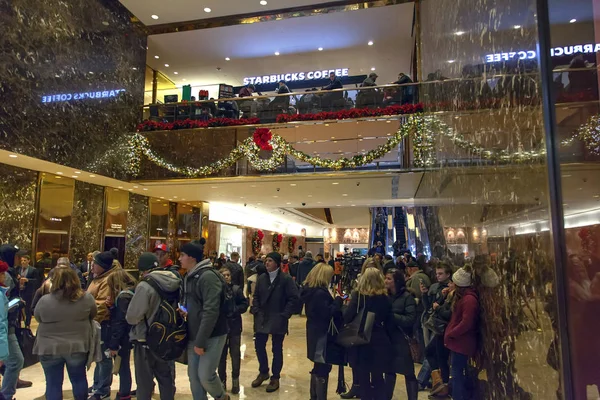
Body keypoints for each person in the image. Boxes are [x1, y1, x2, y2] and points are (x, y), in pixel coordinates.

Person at [34, 266, 97, 400]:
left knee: (52, 383)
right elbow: (93, 315)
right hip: (77, 346)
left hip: (49, 347)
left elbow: (38, 318)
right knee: (79, 379)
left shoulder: (44, 300)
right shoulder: (87, 299)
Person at [179, 239, 230, 400]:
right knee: (194, 377)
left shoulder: (208, 277)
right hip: (194, 332)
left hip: (212, 334)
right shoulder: (190, 276)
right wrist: (185, 311)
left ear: (192, 258)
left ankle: (221, 397)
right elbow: (195, 305)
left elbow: (211, 311)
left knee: (206, 375)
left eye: (182, 255)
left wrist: (200, 341)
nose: (179, 259)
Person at [126, 252, 181, 400]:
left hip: (145, 338)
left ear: (143, 270)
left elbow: (133, 316)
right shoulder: (174, 280)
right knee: (165, 377)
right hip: (167, 337)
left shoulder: (145, 285)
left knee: (144, 381)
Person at [250, 252, 300, 393]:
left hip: (278, 317)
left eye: (270, 261)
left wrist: (285, 314)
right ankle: (263, 371)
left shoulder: (286, 279)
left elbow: (293, 298)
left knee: (277, 348)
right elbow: (256, 296)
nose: (266, 263)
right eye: (266, 261)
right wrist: (256, 309)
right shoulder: (261, 278)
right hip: (262, 317)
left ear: (277, 263)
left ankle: (275, 377)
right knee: (259, 345)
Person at [342, 268, 392, 400]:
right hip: (379, 339)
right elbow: (388, 319)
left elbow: (347, 317)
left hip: (360, 339)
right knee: (378, 377)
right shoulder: (384, 298)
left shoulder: (358, 296)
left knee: (363, 377)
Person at [301, 263, 343, 400]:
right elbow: (327, 313)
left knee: (318, 365)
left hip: (314, 331)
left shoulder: (311, 290)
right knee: (323, 367)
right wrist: (337, 301)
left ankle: (314, 396)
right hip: (322, 334)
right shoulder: (320, 293)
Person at [87, 250, 119, 400]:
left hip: (103, 323)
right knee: (98, 355)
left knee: (103, 357)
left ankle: (103, 389)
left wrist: (87, 312)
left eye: (95, 264)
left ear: (103, 266)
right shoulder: (98, 278)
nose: (92, 266)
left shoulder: (107, 280)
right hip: (96, 322)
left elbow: (102, 305)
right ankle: (97, 384)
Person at [0, 243, 30, 399]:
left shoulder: (11, 273)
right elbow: (4, 304)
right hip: (6, 325)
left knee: (12, 360)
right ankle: (6, 394)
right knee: (16, 360)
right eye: (18, 256)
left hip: (8, 324)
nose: (20, 259)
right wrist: (17, 302)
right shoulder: (8, 275)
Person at [444, 265, 479, 400]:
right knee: (458, 374)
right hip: (459, 342)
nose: (451, 284)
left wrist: (452, 333)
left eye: (453, 282)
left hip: (461, 343)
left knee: (458, 375)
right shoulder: (463, 297)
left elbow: (466, 323)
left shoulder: (469, 300)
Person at [384, 269, 418, 400]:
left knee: (408, 372)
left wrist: (393, 316)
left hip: (402, 339)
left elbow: (410, 319)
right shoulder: (385, 296)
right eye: (385, 278)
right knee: (389, 371)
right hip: (388, 338)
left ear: (396, 281)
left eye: (389, 279)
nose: (386, 281)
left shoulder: (407, 297)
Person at [420, 262, 453, 394]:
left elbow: (446, 312)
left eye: (441, 273)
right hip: (436, 325)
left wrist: (438, 305)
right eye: (437, 273)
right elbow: (429, 307)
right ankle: (439, 382)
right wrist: (424, 294)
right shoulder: (436, 287)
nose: (438, 276)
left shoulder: (451, 291)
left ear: (448, 275)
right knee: (433, 354)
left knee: (440, 357)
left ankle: (441, 384)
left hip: (444, 328)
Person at [106, 269, 137, 400]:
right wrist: (112, 307)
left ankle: (124, 393)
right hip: (129, 335)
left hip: (123, 338)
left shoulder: (123, 297)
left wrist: (114, 344)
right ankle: (124, 392)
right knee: (124, 365)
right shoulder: (132, 292)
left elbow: (120, 322)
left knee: (123, 366)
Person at [217, 266, 248, 395]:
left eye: (228, 275)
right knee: (221, 356)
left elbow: (244, 304)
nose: (226, 277)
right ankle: (222, 380)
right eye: (224, 275)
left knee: (235, 354)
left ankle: (235, 379)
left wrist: (234, 310)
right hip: (221, 328)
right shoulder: (216, 291)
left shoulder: (236, 290)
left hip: (234, 326)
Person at [406, 260, 431, 363]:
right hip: (422, 309)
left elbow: (416, 295)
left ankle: (422, 357)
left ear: (411, 269)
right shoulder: (423, 276)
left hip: (420, 310)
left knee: (420, 334)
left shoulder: (417, 278)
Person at [16, 254, 42, 327]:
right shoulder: (18, 269)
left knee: (28, 309)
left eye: (25, 260)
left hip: (28, 292)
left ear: (28, 261)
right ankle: (18, 324)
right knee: (18, 308)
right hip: (19, 291)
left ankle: (27, 324)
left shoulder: (33, 270)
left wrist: (27, 280)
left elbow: (37, 281)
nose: (23, 262)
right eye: (22, 260)